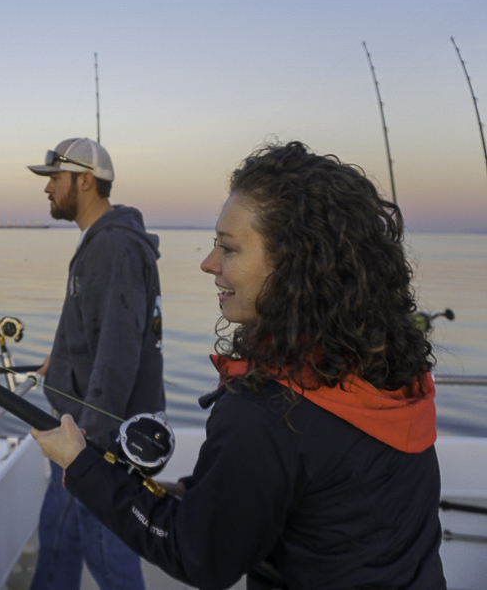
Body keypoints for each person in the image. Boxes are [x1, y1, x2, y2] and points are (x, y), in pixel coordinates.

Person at [32, 141, 445, 590]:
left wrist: (82, 459)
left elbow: (200, 557)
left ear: (294, 265)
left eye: (228, 249)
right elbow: (309, 486)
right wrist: (196, 491)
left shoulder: (268, 413)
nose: (208, 263)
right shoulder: (389, 369)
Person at [27, 137, 165, 590]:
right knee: (58, 542)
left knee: (110, 560)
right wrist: (61, 359)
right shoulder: (105, 243)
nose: (47, 189)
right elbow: (102, 330)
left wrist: (88, 449)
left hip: (94, 442)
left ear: (84, 181)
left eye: (55, 179)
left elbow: (119, 350)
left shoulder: (113, 248)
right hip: (78, 430)